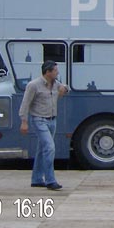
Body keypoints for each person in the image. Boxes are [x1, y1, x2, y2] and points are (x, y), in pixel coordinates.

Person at [19, 61, 69, 189]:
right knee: (50, 147)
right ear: (48, 72)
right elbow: (25, 104)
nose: (57, 73)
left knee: (42, 150)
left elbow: (64, 88)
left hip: (52, 120)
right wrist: (24, 121)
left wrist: (65, 89)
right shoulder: (34, 85)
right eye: (55, 71)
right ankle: (50, 180)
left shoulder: (55, 84)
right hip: (39, 119)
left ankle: (36, 179)